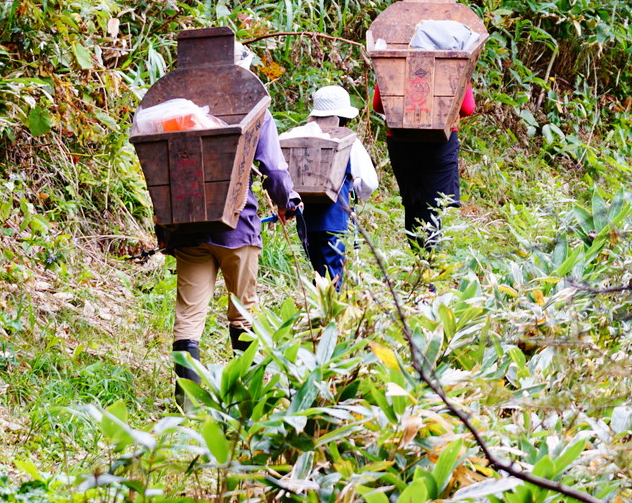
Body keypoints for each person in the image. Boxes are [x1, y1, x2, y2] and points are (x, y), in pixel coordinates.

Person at [163, 41, 300, 402]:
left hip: (189, 226)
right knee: (243, 311)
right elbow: (273, 167)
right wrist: (287, 203)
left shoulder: (174, 108)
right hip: (237, 228)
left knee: (189, 315)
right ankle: (246, 394)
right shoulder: (254, 109)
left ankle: (187, 400)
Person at [372, 81, 475, 252]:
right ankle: (429, 262)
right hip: (440, 141)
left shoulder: (395, 61)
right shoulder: (452, 61)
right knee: (434, 203)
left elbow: (378, 104)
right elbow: (467, 107)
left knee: (412, 200)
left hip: (402, 139)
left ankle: (418, 258)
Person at [292, 84, 379, 288]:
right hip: (334, 219)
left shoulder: (295, 136)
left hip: (304, 220)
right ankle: (330, 316)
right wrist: (355, 189)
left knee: (318, 270)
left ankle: (320, 313)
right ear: (340, 117)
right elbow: (369, 182)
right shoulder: (348, 141)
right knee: (333, 275)